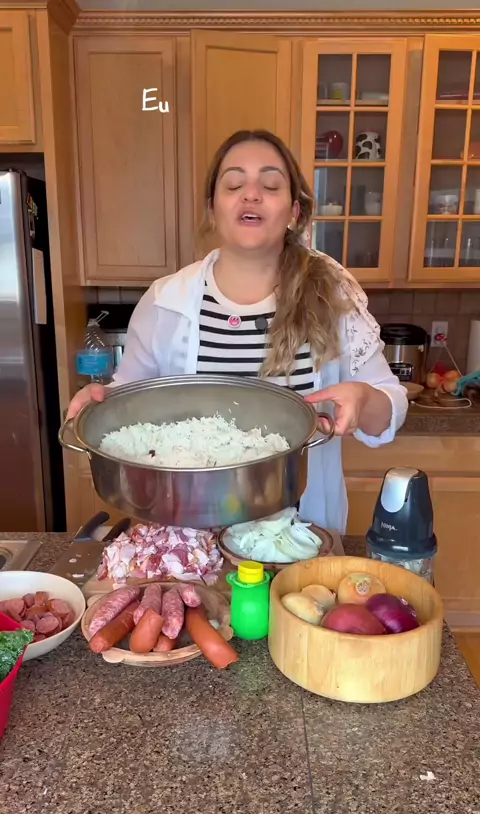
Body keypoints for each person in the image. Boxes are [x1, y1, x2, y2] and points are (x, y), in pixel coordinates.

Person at [67, 129, 408, 533]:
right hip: (191, 543)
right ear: (212, 209)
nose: (251, 194)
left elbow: (391, 407)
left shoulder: (334, 293)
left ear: (294, 211)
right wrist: (99, 405)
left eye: (270, 185)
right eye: (233, 185)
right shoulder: (165, 302)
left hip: (301, 540)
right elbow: (128, 409)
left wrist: (364, 399)